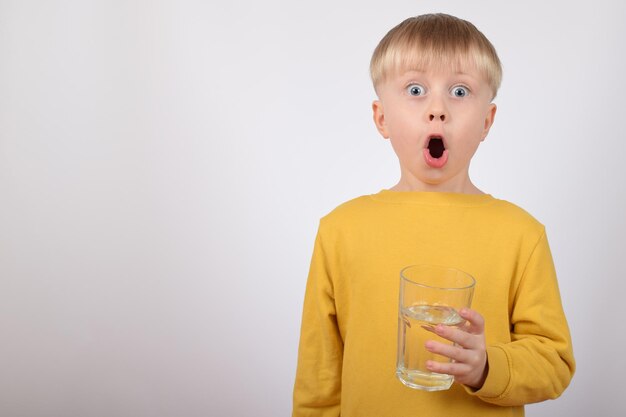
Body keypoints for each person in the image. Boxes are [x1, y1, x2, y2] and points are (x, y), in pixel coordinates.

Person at [292, 13, 575, 417]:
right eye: (415, 89)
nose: (438, 109)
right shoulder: (339, 230)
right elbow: (318, 380)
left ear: (487, 122)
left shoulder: (521, 234)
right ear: (382, 118)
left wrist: (486, 367)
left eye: (460, 91)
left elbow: (555, 363)